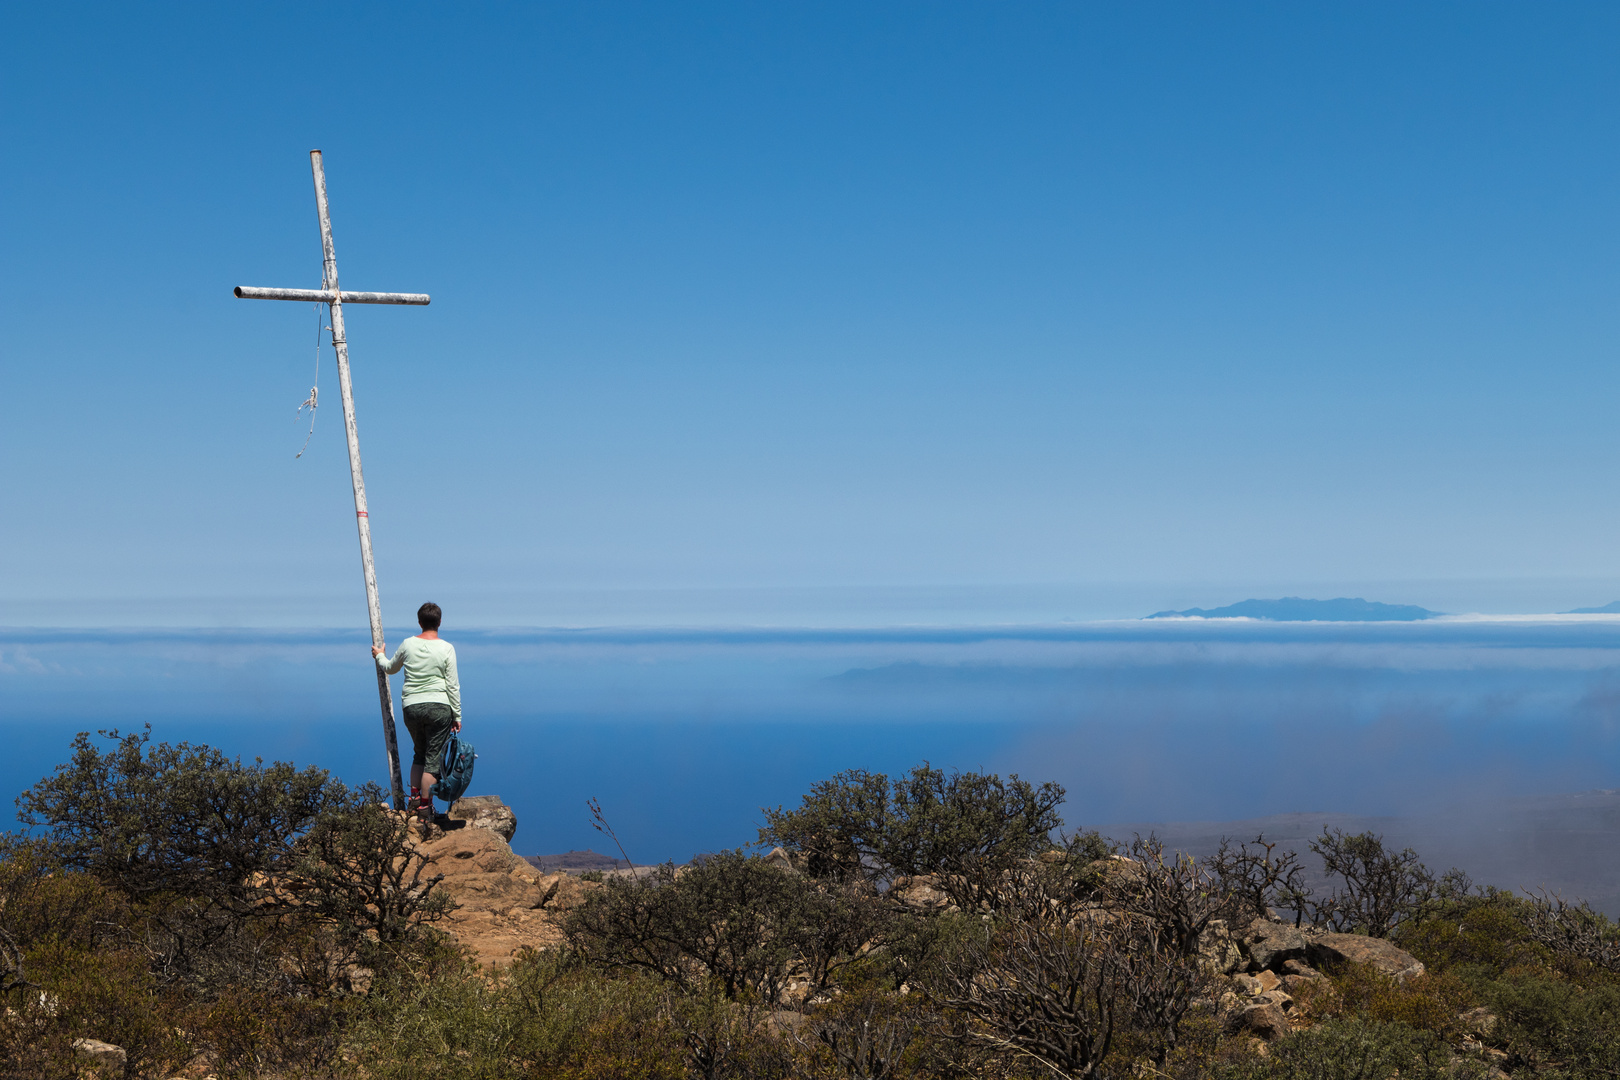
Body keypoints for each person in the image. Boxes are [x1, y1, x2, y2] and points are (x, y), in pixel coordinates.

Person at [374, 602, 461, 830]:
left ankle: (414, 799)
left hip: (412, 707)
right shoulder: (447, 648)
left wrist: (380, 656)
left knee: (419, 754)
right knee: (433, 760)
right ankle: (424, 808)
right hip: (440, 707)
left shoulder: (408, 644)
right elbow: (452, 685)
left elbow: (390, 668)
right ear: (440, 622)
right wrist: (457, 715)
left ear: (419, 622)